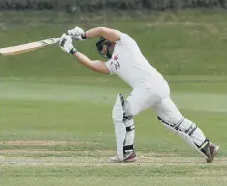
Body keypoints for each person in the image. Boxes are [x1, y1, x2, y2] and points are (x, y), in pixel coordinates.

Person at [58, 26, 219, 163]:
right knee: (174, 121)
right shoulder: (112, 64)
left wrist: (83, 35)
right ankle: (207, 147)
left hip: (149, 86)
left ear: (110, 41)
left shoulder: (124, 42)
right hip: (157, 87)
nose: (104, 51)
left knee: (121, 113)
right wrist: (72, 50)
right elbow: (92, 64)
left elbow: (101, 30)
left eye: (104, 47)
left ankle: (126, 153)